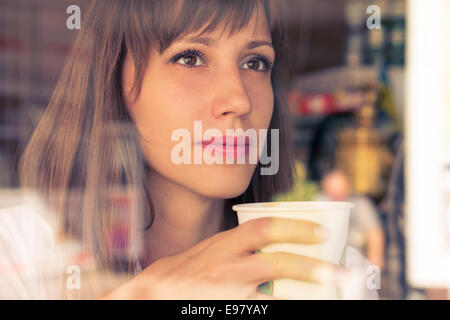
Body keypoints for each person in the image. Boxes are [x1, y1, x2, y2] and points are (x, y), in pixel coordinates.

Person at [1, 0, 374, 300]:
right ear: (112, 78)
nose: (239, 99)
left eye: (255, 62)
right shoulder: (19, 253)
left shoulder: (323, 266)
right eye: (190, 57)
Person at [316, 169, 385, 270]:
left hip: (354, 261)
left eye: (341, 192)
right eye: (333, 193)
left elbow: (374, 233)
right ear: (325, 187)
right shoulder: (318, 202)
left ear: (348, 187)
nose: (337, 196)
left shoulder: (361, 204)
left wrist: (375, 264)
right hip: (324, 260)